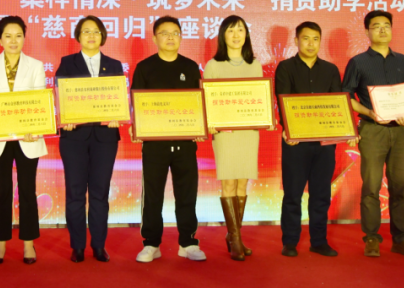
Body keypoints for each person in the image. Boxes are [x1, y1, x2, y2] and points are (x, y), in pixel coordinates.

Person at [342, 10, 404, 258]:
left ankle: (401, 239)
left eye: (387, 25)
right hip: (372, 129)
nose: (382, 30)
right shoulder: (358, 62)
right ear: (367, 31)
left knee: (400, 186)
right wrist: (369, 112)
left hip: (401, 131)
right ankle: (371, 238)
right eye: (376, 26)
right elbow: (346, 97)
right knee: (371, 185)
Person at [132, 16, 206, 263]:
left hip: (185, 143)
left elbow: (198, 103)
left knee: (187, 193)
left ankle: (188, 242)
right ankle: (151, 244)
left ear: (181, 37)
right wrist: (137, 128)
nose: (170, 37)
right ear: (155, 38)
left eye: (175, 33)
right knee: (153, 195)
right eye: (164, 33)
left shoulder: (191, 67)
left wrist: (200, 125)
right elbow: (136, 104)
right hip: (155, 145)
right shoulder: (144, 68)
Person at [0, 16, 47, 265]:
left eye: (18, 35)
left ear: (24, 38)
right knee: (3, 190)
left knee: (28, 190)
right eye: (8, 36)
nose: (13, 41)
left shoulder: (35, 65)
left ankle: (28, 244)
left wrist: (36, 127)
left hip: (28, 137)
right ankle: (0, 244)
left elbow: (39, 100)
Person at [274, 21, 346, 258]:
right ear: (296, 41)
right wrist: (288, 129)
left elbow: (337, 104)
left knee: (321, 195)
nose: (311, 44)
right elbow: (283, 100)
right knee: (293, 195)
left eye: (315, 39)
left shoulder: (330, 70)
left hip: (324, 144)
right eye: (306, 38)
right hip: (295, 143)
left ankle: (319, 241)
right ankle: (290, 242)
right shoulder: (286, 68)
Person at [56, 16, 123, 263]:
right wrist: (64, 117)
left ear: (102, 35)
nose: (91, 35)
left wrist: (117, 116)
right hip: (74, 136)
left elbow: (119, 98)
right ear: (78, 36)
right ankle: (77, 246)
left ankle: (98, 245)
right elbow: (59, 96)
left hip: (105, 137)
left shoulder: (114, 65)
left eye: (96, 31)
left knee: (99, 192)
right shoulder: (67, 63)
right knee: (75, 192)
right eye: (86, 31)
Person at [204, 15, 261, 261]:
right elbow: (207, 101)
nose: (236, 35)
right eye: (230, 31)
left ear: (246, 35)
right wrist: (211, 123)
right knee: (228, 182)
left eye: (240, 30)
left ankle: (234, 235)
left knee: (242, 183)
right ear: (222, 36)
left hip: (248, 131)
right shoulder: (213, 65)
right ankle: (235, 238)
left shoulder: (254, 64)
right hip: (225, 133)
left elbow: (259, 98)